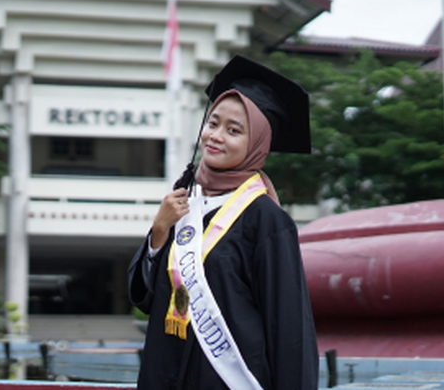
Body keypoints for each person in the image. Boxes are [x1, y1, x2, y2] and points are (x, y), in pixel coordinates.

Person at [128, 55, 319, 389]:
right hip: (166, 374)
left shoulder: (268, 221)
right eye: (213, 123)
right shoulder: (184, 201)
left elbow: (289, 331)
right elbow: (145, 299)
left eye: (234, 130)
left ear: (256, 143)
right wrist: (159, 233)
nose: (215, 136)